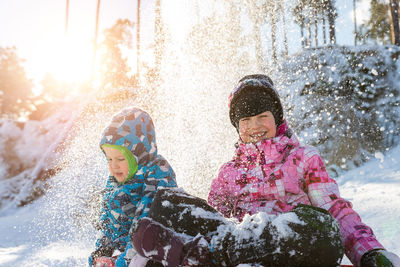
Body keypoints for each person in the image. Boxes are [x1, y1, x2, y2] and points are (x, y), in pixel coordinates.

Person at [130, 75, 400, 267]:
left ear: (278, 118)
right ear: (237, 126)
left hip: (288, 251)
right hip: (234, 244)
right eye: (245, 120)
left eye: (262, 116)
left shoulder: (303, 158)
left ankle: (210, 256)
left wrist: (369, 252)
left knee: (323, 227)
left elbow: (336, 211)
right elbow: (212, 219)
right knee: (166, 202)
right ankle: (208, 254)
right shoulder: (229, 173)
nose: (254, 125)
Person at [88, 107, 177, 267]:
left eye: (120, 159)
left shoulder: (157, 171)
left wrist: (126, 260)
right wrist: (102, 251)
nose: (113, 166)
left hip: (158, 253)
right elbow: (108, 219)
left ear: (138, 153)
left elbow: (147, 220)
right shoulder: (116, 179)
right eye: (109, 159)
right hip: (128, 255)